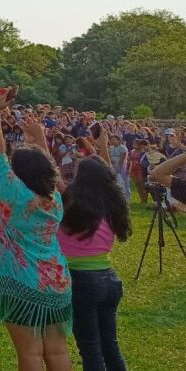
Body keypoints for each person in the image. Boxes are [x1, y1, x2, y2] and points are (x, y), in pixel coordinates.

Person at [0, 87, 72, 371]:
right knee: (58, 352)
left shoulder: (15, 195)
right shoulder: (54, 199)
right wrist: (40, 141)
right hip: (57, 281)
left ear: (16, 173)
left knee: (30, 353)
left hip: (22, 283)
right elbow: (50, 172)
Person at [58, 131, 131, 371]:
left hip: (83, 282)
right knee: (111, 346)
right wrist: (101, 147)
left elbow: (48, 173)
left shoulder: (72, 201)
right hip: (110, 279)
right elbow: (108, 175)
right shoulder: (113, 201)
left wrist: (37, 140)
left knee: (90, 349)